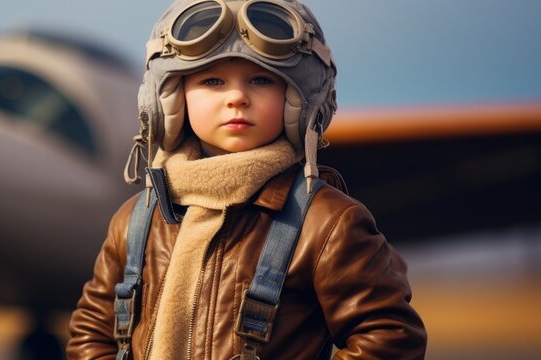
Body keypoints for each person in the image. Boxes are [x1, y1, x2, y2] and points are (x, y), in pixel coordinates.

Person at [67, 0, 427, 359]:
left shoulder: (327, 223)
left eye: (260, 79)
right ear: (170, 100)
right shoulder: (136, 220)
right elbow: (91, 332)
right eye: (212, 80)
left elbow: (389, 337)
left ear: (299, 101)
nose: (237, 97)